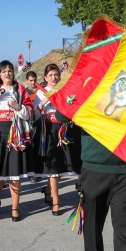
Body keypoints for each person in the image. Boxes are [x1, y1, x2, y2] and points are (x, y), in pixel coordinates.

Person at [55, 109, 126, 251]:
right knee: (93, 220)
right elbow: (61, 115)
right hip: (94, 167)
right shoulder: (92, 84)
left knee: (125, 226)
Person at [0, 60, 34, 222]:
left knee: (14, 173)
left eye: (10, 70)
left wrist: (17, 106)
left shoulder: (20, 90)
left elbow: (30, 112)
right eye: (4, 71)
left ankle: (15, 207)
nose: (7, 73)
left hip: (15, 134)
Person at [33, 64, 77, 216]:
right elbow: (34, 115)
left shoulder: (65, 89)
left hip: (62, 131)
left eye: (56, 74)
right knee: (52, 168)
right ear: (45, 77)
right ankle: (56, 202)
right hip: (47, 131)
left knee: (59, 168)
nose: (54, 78)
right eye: (50, 75)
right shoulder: (40, 92)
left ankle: (47, 190)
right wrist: (43, 103)